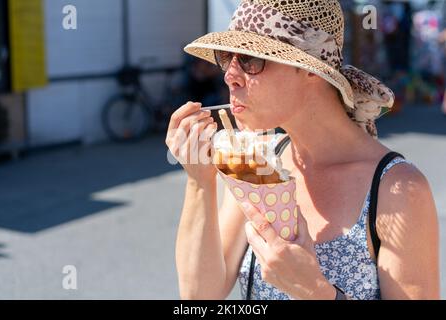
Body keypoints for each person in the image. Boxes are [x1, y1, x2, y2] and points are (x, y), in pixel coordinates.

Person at [166, 0, 439, 300]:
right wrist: (199, 182)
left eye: (250, 59)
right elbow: (198, 297)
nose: (230, 75)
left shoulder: (397, 189)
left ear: (310, 69)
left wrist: (315, 291)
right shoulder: (257, 163)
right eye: (226, 57)